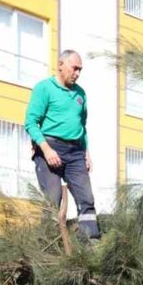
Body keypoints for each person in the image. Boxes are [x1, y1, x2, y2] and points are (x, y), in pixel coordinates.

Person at [24, 49, 99, 241]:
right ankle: (48, 248)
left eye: (80, 70)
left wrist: (86, 153)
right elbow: (31, 123)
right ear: (60, 65)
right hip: (50, 148)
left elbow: (82, 126)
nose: (77, 73)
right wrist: (46, 150)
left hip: (75, 152)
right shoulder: (44, 88)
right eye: (74, 68)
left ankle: (91, 243)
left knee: (87, 199)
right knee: (52, 201)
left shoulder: (80, 94)